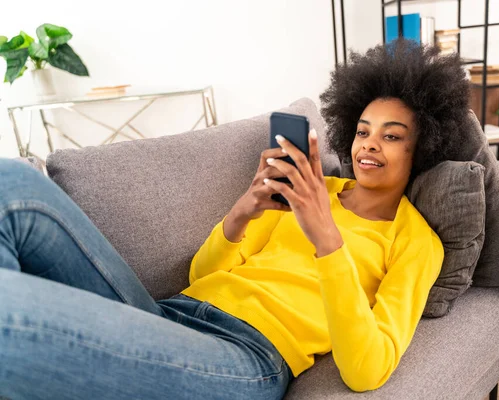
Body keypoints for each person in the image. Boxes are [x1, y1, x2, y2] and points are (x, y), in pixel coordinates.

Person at [0, 38, 471, 399]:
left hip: (246, 356)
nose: (368, 144)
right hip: (170, 313)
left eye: (391, 136)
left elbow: (367, 369)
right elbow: (202, 276)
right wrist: (244, 209)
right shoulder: (313, 188)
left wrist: (327, 239)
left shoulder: (416, 241)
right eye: (363, 131)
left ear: (423, 147)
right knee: (12, 183)